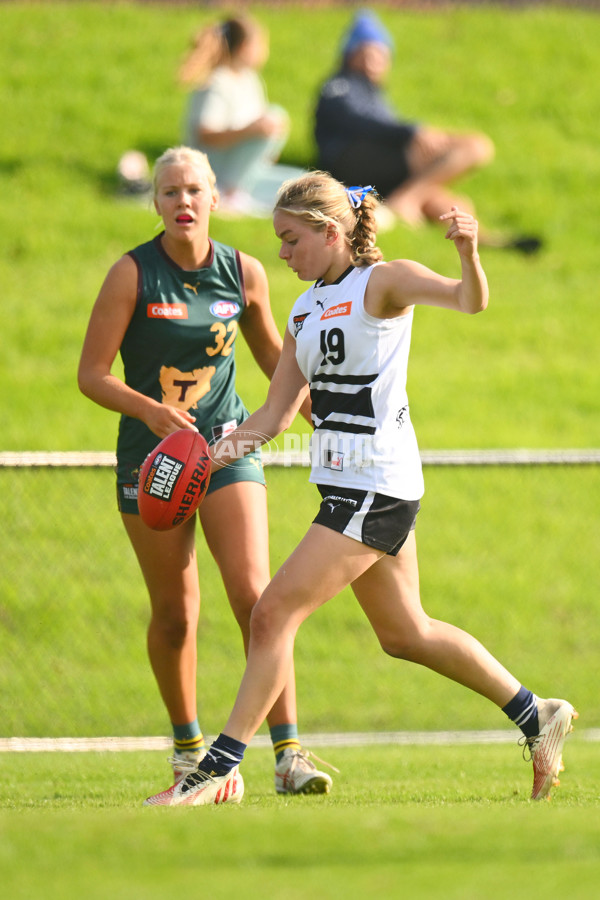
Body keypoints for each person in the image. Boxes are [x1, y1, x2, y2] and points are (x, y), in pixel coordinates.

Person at [144, 170, 576, 807]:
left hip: (376, 485)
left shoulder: (383, 280)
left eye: (291, 240)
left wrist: (469, 253)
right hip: (346, 486)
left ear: (329, 231)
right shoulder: (303, 309)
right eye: (279, 242)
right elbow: (273, 417)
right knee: (406, 633)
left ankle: (214, 772)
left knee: (271, 614)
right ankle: (536, 714)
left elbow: (468, 300)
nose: (283, 254)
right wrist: (208, 458)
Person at [78, 146, 334, 796]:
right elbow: (92, 375)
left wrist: (322, 413)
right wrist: (150, 413)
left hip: (226, 450)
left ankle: (289, 755)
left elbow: (279, 360)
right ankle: (188, 750)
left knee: (259, 597)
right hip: (153, 461)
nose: (183, 202)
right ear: (156, 203)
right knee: (175, 614)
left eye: (194, 190)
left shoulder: (244, 272)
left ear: (216, 197)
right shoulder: (130, 275)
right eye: (169, 193)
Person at [314, 10, 541, 252]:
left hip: (384, 175)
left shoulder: (373, 93)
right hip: (349, 163)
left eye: (381, 56)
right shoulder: (339, 85)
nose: (374, 63)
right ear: (350, 55)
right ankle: (406, 199)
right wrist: (413, 132)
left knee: (453, 204)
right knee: (474, 146)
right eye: (366, 54)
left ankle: (490, 243)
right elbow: (360, 122)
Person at [179, 14, 304, 214]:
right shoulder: (215, 83)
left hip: (246, 172)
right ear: (245, 47)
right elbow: (205, 135)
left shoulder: (250, 80)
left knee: (302, 186)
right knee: (274, 114)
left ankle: (238, 191)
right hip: (215, 171)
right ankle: (226, 192)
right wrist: (250, 131)